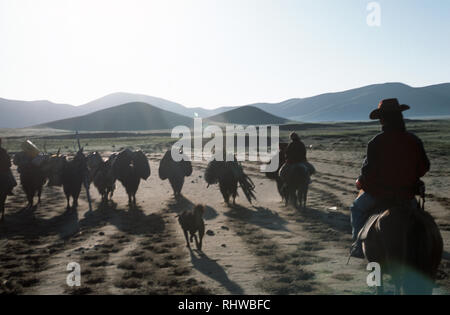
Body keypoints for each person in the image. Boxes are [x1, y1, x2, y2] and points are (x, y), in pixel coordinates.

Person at [350, 99, 430, 258]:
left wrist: (362, 181)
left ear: (383, 119)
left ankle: (358, 246)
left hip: (379, 194)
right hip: (406, 196)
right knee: (422, 221)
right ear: (399, 116)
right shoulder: (414, 140)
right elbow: (424, 168)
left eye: (381, 117)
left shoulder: (376, 142)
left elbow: (368, 172)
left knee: (356, 209)